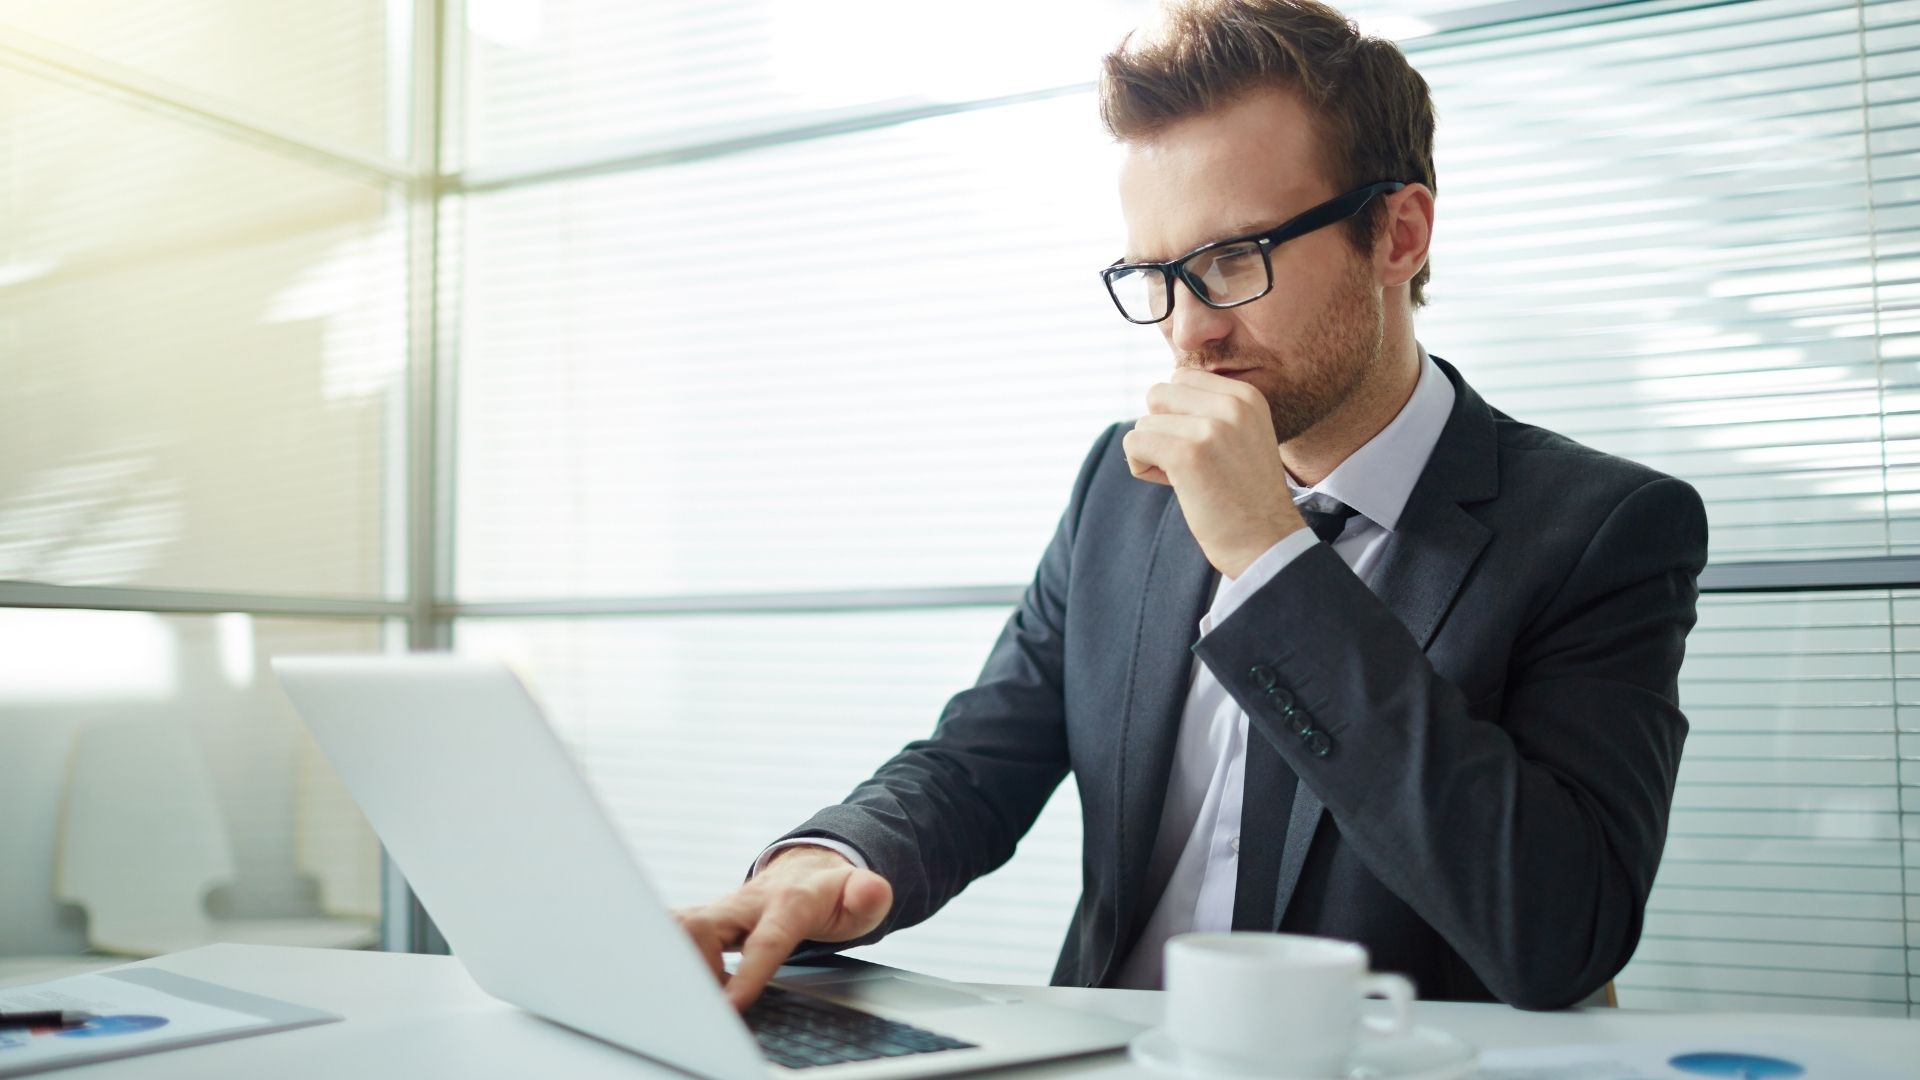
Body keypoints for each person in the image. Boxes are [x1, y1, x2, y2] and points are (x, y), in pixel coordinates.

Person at [674, 0, 1707, 1012]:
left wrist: (1270, 559)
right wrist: (827, 861)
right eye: (1156, 274)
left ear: (1397, 235)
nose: (1186, 332)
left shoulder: (1603, 531)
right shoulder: (1122, 489)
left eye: (1230, 260)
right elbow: (980, 757)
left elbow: (1558, 934)